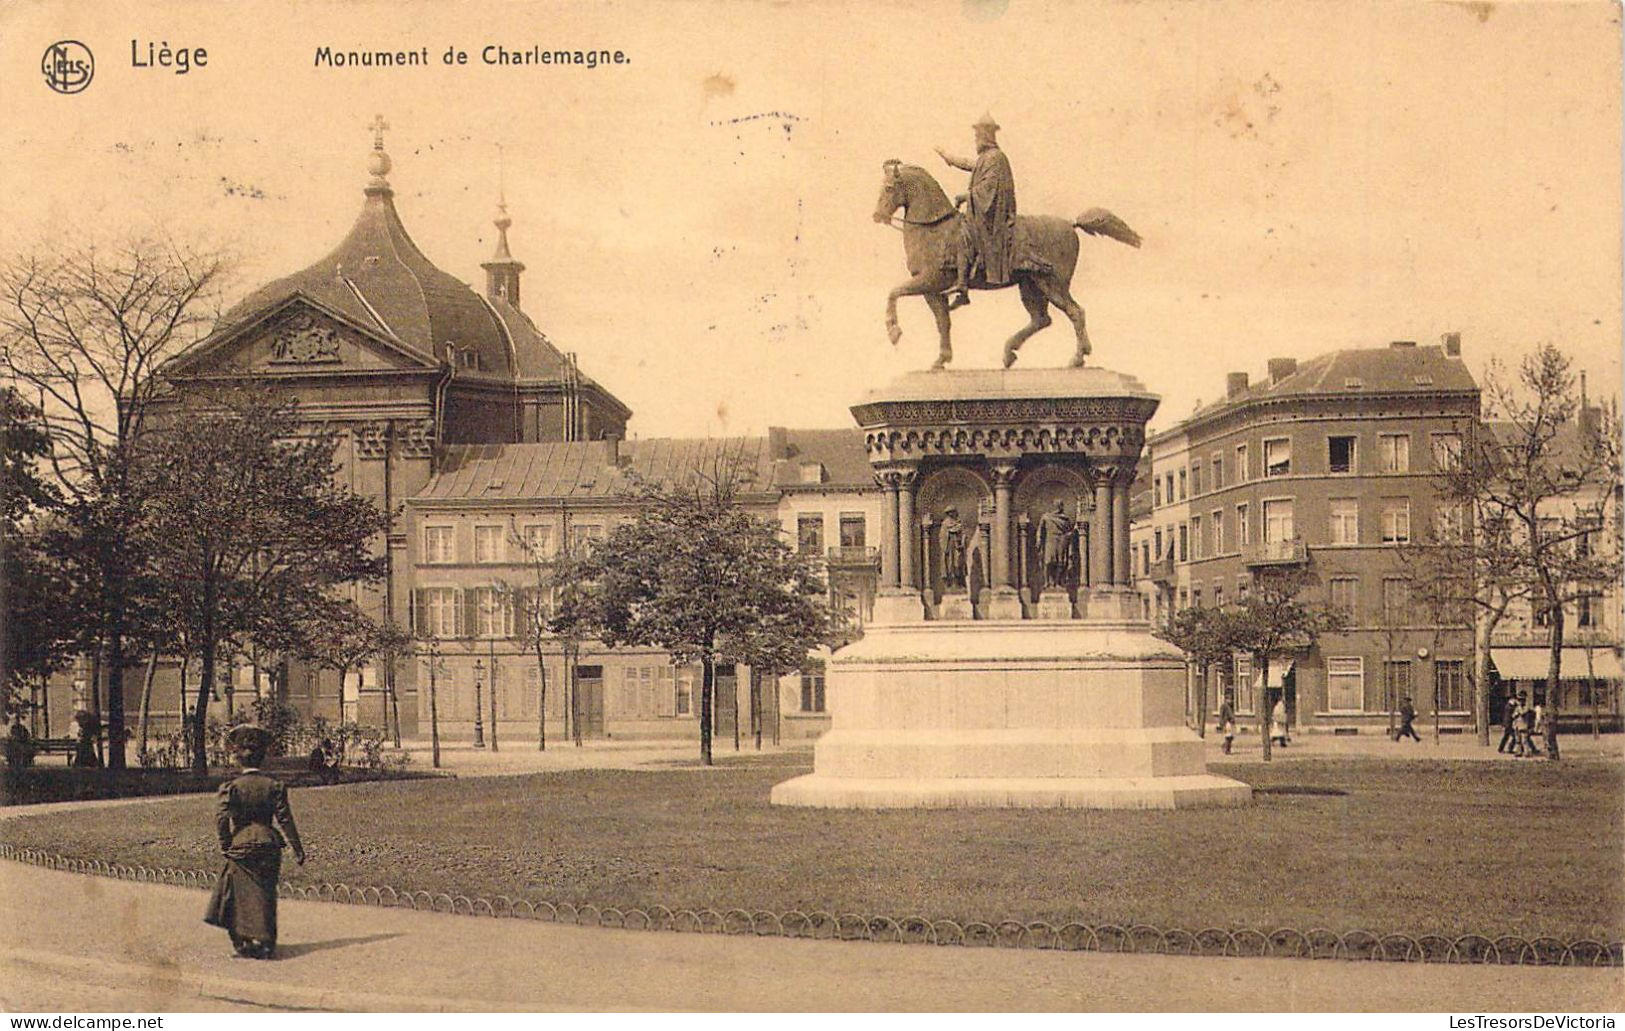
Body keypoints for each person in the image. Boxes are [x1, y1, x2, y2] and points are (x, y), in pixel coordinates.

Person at [205, 724, 306, 959]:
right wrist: (297, 849)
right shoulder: (274, 786)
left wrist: (225, 843)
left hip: (241, 844)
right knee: (266, 892)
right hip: (270, 842)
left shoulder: (231, 788)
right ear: (262, 758)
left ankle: (242, 941)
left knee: (235, 893)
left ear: (239, 759)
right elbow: (285, 819)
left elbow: (221, 819)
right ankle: (267, 942)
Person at [936, 114, 1017, 310]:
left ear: (986, 135)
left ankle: (963, 287)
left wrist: (967, 196)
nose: (976, 139)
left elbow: (989, 188)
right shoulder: (986, 158)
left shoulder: (995, 157)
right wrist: (948, 157)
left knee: (965, 234)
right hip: (985, 209)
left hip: (993, 213)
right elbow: (970, 165)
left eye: (978, 135)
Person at [1036, 500, 1078, 590]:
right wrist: (1038, 539)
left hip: (1062, 540)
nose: (1059, 507)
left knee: (1061, 562)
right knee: (1048, 561)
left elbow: (1068, 531)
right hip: (1050, 539)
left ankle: (1058, 582)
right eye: (1058, 505)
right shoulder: (1046, 517)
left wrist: (1070, 535)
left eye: (1061, 505)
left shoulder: (1066, 519)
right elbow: (1040, 529)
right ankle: (1047, 582)